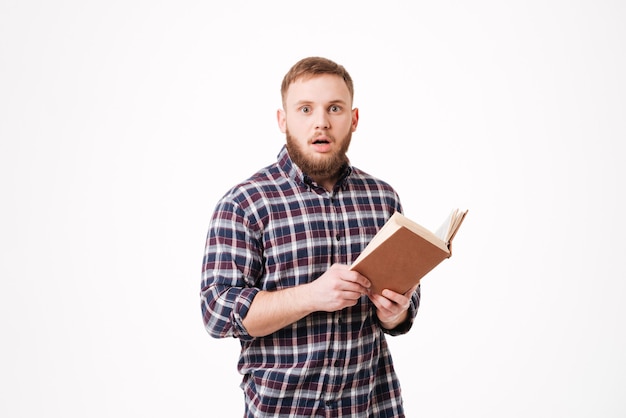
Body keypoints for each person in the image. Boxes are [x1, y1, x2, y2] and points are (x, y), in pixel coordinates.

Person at [200, 56, 420, 417]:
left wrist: (395, 313)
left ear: (353, 118)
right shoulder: (245, 203)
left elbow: (405, 306)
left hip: (372, 406)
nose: (321, 122)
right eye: (305, 109)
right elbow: (217, 312)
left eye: (334, 108)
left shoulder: (383, 199)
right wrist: (312, 296)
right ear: (283, 120)